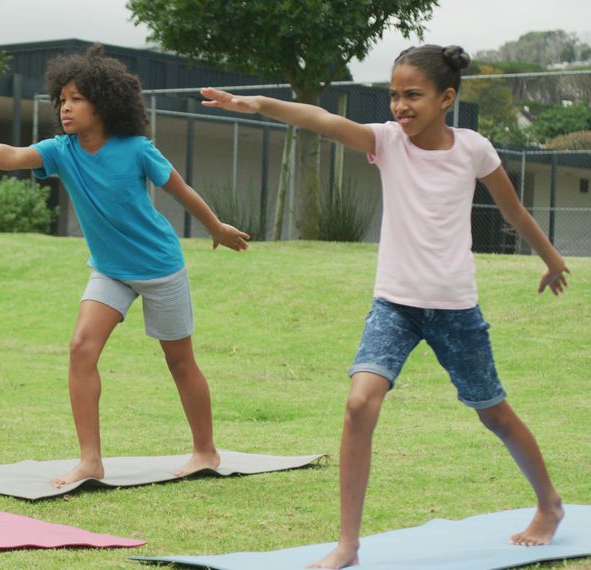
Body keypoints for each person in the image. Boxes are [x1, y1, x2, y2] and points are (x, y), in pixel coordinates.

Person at [202, 44, 568, 569]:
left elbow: (512, 210)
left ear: (447, 98)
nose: (400, 105)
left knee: (495, 414)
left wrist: (552, 260)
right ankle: (348, 544)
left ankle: (549, 505)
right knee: (358, 404)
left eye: (412, 95)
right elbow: (323, 119)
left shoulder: (473, 150)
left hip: (455, 309)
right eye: (394, 95)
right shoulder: (387, 142)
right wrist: (259, 104)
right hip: (394, 305)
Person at [0, 45, 249, 488]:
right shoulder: (61, 150)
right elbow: (12, 154)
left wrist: (217, 228)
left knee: (180, 362)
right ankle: (90, 461)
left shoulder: (136, 150)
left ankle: (205, 451)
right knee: (80, 349)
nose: (66, 107)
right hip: (110, 269)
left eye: (77, 98)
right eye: (62, 99)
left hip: (159, 266)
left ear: (103, 103)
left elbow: (181, 190)